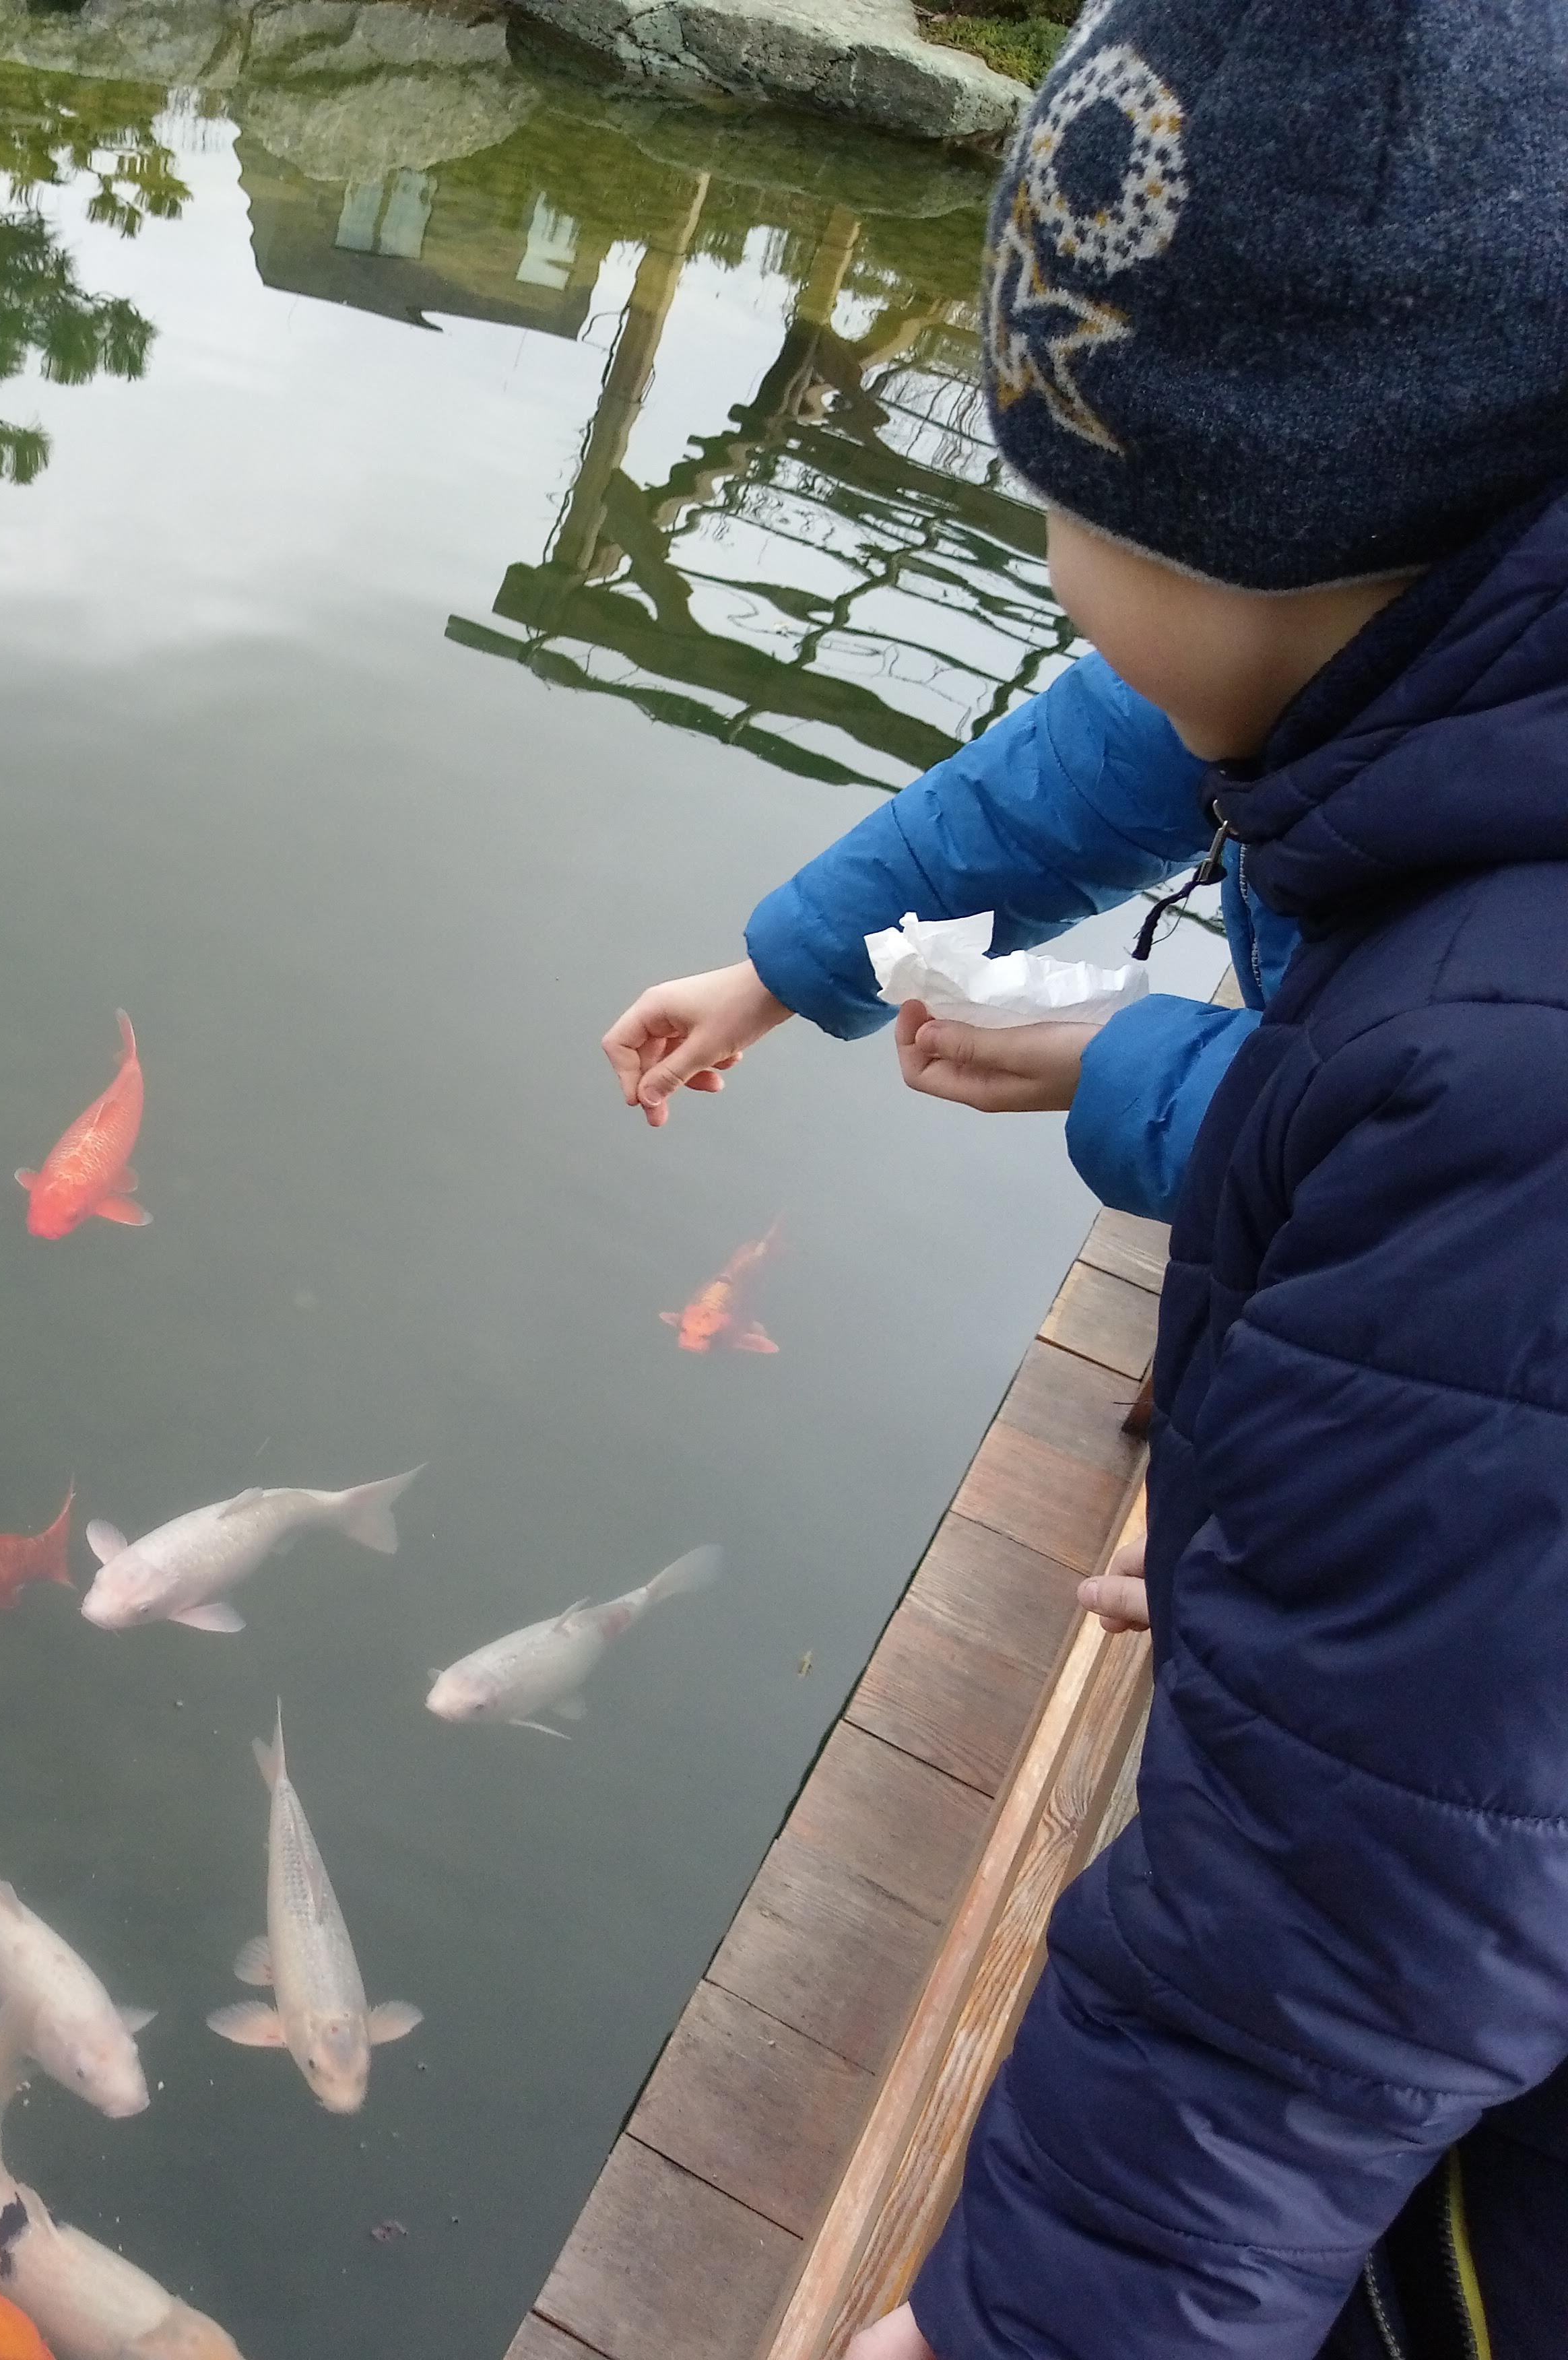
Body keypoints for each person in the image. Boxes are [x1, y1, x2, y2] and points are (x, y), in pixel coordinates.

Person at [601, 6, 1568, 2353]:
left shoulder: (1499, 1106)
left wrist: (1015, 2327)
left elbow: (1339, 1929)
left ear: (1283, 534)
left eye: (1076, 518)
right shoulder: (1428, 613)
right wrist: (784, 967)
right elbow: (1104, 764)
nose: (1048, 571)